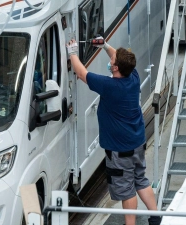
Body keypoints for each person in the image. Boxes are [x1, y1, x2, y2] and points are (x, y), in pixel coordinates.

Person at [66, 38, 162, 225]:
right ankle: (155, 216)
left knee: (126, 189)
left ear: (117, 68)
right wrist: (105, 47)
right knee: (140, 179)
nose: (110, 62)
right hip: (137, 141)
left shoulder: (110, 86)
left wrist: (72, 52)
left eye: (112, 62)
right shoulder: (133, 76)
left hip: (120, 149)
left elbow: (81, 72)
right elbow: (116, 58)